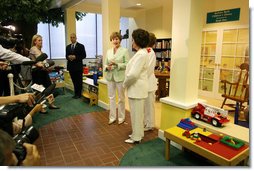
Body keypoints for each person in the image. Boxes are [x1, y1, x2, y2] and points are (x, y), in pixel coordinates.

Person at [123, 28, 150, 144]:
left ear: (138, 41)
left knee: (136, 115)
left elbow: (133, 74)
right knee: (137, 114)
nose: (132, 42)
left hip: (136, 89)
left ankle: (136, 137)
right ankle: (138, 133)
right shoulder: (141, 53)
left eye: (133, 40)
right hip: (137, 89)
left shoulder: (141, 55)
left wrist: (125, 83)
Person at [30, 34, 59, 114]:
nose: (41, 42)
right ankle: (41, 107)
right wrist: (46, 65)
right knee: (39, 90)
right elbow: (40, 61)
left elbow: (45, 63)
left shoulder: (41, 50)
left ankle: (51, 104)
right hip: (37, 71)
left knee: (49, 87)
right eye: (39, 40)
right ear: (35, 41)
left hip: (43, 71)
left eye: (41, 40)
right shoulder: (33, 49)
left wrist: (48, 67)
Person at [105, 32, 129, 125]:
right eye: (114, 39)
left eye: (117, 39)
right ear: (111, 40)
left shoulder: (125, 51)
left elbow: (127, 64)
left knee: (121, 98)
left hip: (120, 77)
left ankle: (121, 117)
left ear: (120, 40)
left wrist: (117, 64)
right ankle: (112, 117)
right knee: (111, 97)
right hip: (110, 76)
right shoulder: (108, 51)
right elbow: (105, 63)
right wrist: (107, 67)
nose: (115, 40)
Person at [66, 33, 86, 99]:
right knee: (74, 81)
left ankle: (79, 94)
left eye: (73, 37)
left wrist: (75, 57)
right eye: (71, 37)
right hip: (71, 67)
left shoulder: (81, 46)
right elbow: (66, 56)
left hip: (78, 67)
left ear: (76, 38)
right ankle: (75, 93)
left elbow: (84, 56)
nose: (72, 39)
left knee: (79, 81)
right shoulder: (68, 47)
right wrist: (69, 57)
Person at [144, 33, 157, 131]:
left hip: (149, 82)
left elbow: (148, 69)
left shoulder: (150, 52)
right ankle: (146, 122)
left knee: (149, 105)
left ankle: (150, 124)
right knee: (145, 106)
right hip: (145, 83)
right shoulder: (145, 51)